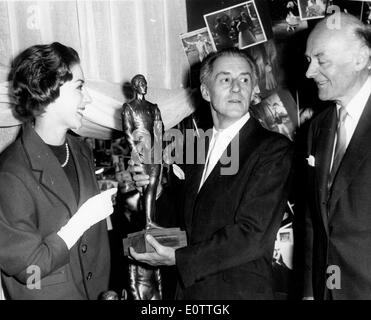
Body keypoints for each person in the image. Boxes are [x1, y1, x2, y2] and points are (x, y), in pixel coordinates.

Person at [129, 48, 293, 299]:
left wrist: (178, 258)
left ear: (253, 90)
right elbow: (185, 221)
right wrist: (157, 191)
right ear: (206, 91)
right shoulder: (195, 147)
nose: (237, 87)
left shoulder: (272, 149)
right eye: (226, 79)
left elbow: (252, 234)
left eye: (245, 79)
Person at [0, 42, 117, 300]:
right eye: (79, 87)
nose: (87, 98)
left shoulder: (80, 150)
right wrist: (80, 221)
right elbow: (30, 271)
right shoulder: (9, 174)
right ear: (48, 91)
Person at [304, 13, 371, 299]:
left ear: (360, 59)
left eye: (321, 60)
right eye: (309, 61)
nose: (309, 72)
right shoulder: (318, 127)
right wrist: (309, 291)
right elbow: (312, 220)